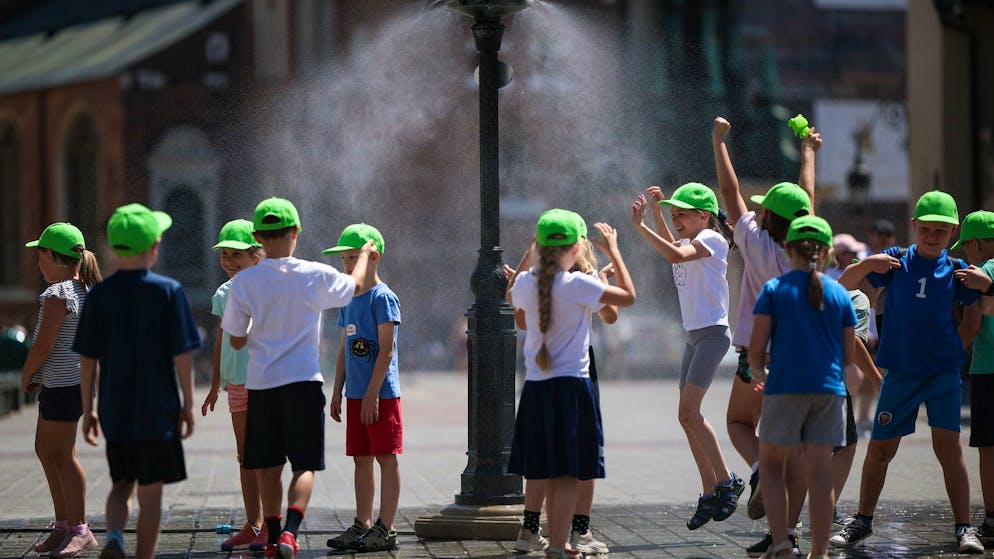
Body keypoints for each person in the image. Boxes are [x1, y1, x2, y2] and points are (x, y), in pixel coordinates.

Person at [830, 191, 985, 554]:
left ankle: (964, 527)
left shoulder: (957, 271)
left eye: (940, 230)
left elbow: (973, 321)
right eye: (925, 228)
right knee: (881, 450)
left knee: (949, 449)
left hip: (943, 374)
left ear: (952, 231)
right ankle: (862, 521)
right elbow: (842, 287)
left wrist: (948, 351)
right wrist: (868, 265)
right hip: (900, 374)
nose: (932, 235)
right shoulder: (895, 262)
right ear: (913, 226)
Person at [221, 198, 376, 559]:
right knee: (304, 465)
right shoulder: (313, 274)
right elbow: (353, 287)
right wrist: (365, 254)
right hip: (304, 382)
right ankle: (291, 532)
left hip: (261, 385)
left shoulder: (245, 282)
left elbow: (236, 338)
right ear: (295, 233)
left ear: (258, 237)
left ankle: (273, 539)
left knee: (267, 467)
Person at [712, 116, 819, 557]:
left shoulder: (754, 242)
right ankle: (787, 532)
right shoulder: (808, 249)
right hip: (798, 360)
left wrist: (719, 142)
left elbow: (729, 193)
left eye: (762, 208)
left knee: (740, 424)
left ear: (767, 215)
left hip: (754, 357)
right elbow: (807, 198)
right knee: (794, 453)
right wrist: (808, 151)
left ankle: (758, 471)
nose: (753, 210)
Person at [507, 210, 636, 559]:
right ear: (578, 245)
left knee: (544, 466)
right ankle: (563, 543)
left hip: (536, 387)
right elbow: (627, 297)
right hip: (572, 386)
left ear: (538, 245)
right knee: (568, 472)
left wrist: (527, 256)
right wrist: (613, 250)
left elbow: (513, 297)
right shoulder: (580, 283)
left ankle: (551, 537)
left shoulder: (526, 283)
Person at [74, 204, 202, 559]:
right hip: (158, 412)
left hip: (115, 409)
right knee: (150, 493)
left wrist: (89, 410)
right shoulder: (169, 291)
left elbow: (87, 359)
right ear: (156, 246)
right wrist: (188, 405)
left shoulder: (99, 295)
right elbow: (182, 355)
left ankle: (114, 535)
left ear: (113, 246)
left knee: (120, 485)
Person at [631, 183, 743, 530]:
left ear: (704, 216)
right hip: (694, 337)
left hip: (712, 335)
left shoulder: (712, 239)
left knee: (690, 412)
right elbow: (675, 246)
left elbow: (675, 254)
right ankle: (710, 491)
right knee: (685, 416)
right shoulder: (692, 240)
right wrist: (654, 214)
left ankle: (727, 481)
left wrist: (642, 227)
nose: (675, 219)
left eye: (681, 214)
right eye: (674, 213)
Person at [748, 215, 856, 559]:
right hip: (829, 391)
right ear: (826, 253)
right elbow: (849, 354)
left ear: (787, 247)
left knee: (771, 466)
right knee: (820, 473)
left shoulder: (775, 290)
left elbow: (755, 349)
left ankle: (781, 545)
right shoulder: (839, 293)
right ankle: (819, 553)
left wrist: (756, 373)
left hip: (784, 387)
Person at [21, 223, 102, 558]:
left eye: (40, 255)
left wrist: (26, 373)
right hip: (65, 383)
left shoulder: (57, 295)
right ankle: (63, 524)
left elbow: (43, 345)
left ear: (53, 258)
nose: (37, 263)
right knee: (45, 449)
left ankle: (80, 528)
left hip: (63, 385)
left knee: (63, 456)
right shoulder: (81, 289)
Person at [323, 224, 403, 553]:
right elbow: (344, 347)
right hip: (356, 395)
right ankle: (363, 522)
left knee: (386, 457)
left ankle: (387, 526)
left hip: (381, 395)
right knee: (360, 459)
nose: (347, 265)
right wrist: (338, 390)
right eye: (344, 259)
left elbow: (386, 350)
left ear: (374, 258)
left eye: (353, 258)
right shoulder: (348, 298)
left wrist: (372, 394)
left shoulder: (383, 297)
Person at [199, 219, 266, 552]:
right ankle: (252, 523)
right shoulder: (223, 294)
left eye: (235, 254)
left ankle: (271, 523)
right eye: (224, 254)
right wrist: (214, 384)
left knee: (264, 455)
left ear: (256, 255)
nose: (228, 261)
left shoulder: (266, 288)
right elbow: (221, 340)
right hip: (237, 384)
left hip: (264, 382)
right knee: (245, 456)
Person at [950, 210, 994, 545]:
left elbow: (975, 323)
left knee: (989, 448)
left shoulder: (980, 272)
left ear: (975, 244)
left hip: (987, 369)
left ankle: (991, 519)